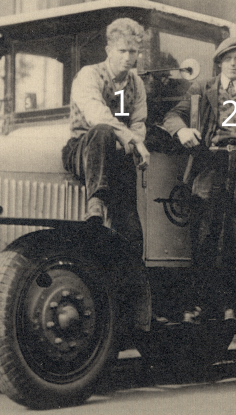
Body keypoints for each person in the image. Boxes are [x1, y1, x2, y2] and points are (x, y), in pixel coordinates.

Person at [163, 36, 236, 323]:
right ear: (220, 62)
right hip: (210, 161)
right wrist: (182, 132)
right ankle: (199, 302)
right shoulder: (202, 88)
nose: (234, 63)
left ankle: (230, 304)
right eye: (228, 58)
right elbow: (173, 116)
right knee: (203, 235)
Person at [61, 17, 151, 332]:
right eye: (124, 51)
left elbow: (139, 121)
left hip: (116, 156)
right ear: (109, 49)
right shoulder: (89, 75)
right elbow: (97, 113)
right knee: (101, 130)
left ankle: (132, 310)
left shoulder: (136, 83)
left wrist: (136, 143)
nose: (129, 57)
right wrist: (128, 138)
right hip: (82, 150)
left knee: (132, 229)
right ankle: (96, 201)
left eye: (134, 52)